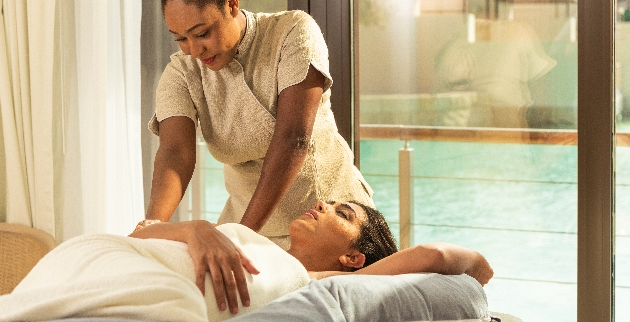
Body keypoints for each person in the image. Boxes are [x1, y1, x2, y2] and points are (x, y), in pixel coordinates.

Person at [141, 0, 374, 250]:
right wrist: (151, 228)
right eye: (180, 38)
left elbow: (294, 138)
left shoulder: (292, 33)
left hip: (329, 227)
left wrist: (239, 238)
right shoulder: (182, 72)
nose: (194, 50)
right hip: (247, 226)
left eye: (202, 33)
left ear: (231, 3)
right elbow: (175, 153)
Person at [0, 200, 493, 321]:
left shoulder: (324, 282)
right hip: (99, 257)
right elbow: (141, 232)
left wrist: (478, 268)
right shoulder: (248, 241)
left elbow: (433, 256)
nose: (321, 204)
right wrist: (198, 229)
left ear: (353, 257)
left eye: (341, 213)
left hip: (148, 287)